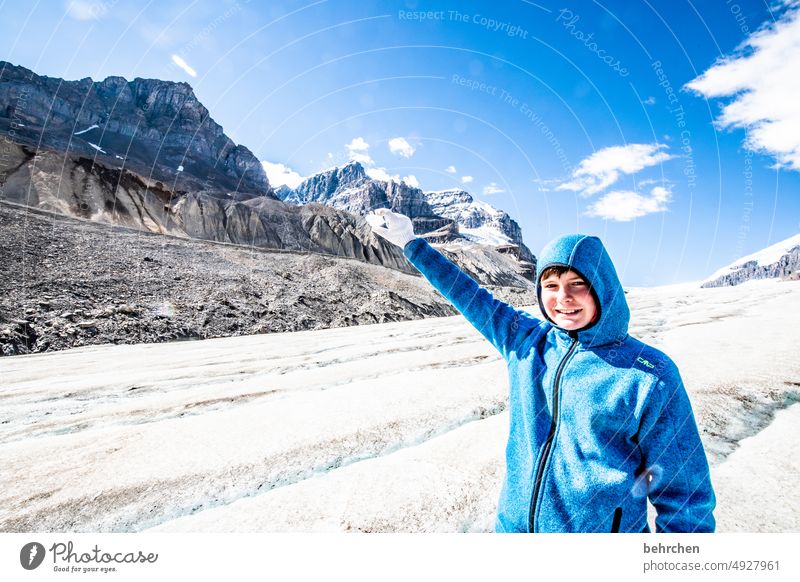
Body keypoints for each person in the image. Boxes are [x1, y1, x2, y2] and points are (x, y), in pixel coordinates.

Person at [366, 209, 716, 533]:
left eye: (577, 284)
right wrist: (412, 244)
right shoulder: (526, 342)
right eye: (551, 285)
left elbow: (685, 497)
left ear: (602, 288)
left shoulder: (650, 375)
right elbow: (470, 296)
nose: (563, 298)